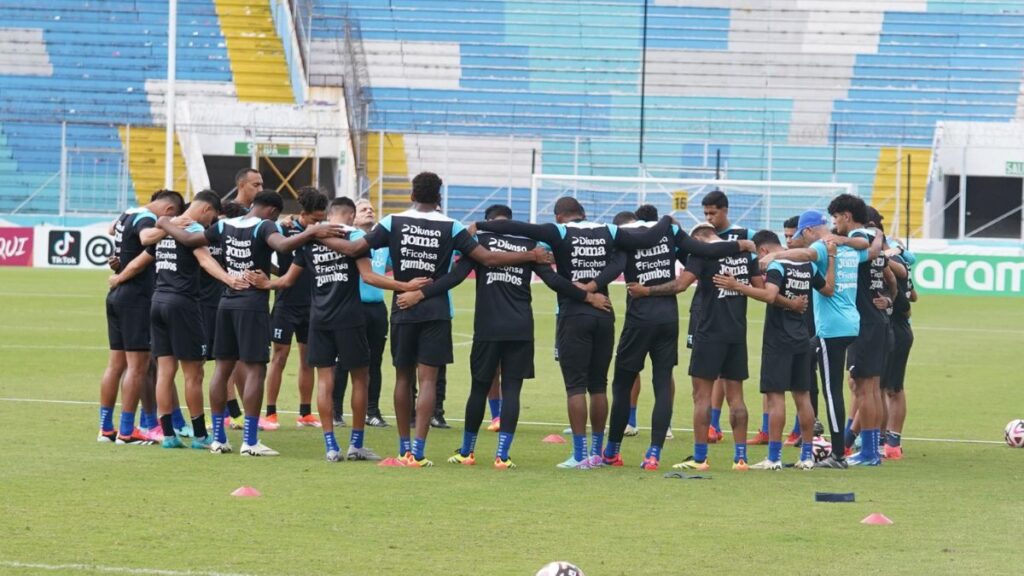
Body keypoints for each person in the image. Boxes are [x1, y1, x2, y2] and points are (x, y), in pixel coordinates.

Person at [327, 172, 553, 467]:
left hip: (403, 306)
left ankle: (403, 448)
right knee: (429, 379)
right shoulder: (452, 226)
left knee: (403, 377)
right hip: (436, 310)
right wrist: (530, 255)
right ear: (439, 197)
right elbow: (488, 259)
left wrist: (316, 234)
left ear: (411, 194)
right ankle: (419, 452)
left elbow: (356, 249)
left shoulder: (393, 221)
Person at [398, 203, 608, 469]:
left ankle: (467, 452)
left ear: (489, 221)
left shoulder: (480, 244)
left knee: (479, 388)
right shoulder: (531, 247)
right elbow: (555, 282)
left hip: (488, 328)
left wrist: (421, 294)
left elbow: (454, 277)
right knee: (512, 390)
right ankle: (503, 456)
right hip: (521, 328)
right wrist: (588, 296)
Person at [474, 197, 675, 469]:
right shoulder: (609, 231)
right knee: (599, 386)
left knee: (575, 387)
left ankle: (579, 455)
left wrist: (479, 224)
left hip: (573, 314)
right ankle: (597, 452)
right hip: (605, 312)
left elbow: (520, 227)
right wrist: (666, 219)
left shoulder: (559, 232)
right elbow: (643, 242)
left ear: (560, 216)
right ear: (582, 213)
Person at [157, 190, 340, 456]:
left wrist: (163, 223)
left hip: (226, 303)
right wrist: (312, 233)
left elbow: (187, 239)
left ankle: (219, 439)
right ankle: (250, 441)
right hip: (252, 305)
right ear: (272, 212)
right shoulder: (264, 226)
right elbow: (283, 246)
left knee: (222, 368)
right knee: (255, 370)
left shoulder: (223, 224)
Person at [604, 210, 750, 471]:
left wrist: (590, 289)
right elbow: (703, 252)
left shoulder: (624, 238)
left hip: (639, 320)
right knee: (662, 384)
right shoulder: (669, 235)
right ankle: (654, 454)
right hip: (669, 320)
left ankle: (612, 451)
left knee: (622, 385)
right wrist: (741, 245)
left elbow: (614, 268)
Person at [759, 208, 878, 469]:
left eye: (802, 234)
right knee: (807, 365)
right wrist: (878, 236)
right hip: (850, 323)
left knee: (832, 391)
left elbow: (806, 254)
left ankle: (837, 454)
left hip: (830, 329)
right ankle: (814, 443)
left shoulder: (824, 247)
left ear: (810, 230)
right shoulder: (849, 249)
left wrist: (777, 255)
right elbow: (871, 250)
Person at [713, 230, 833, 469]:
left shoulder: (778, 266)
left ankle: (774, 458)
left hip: (779, 340)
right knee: (803, 397)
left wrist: (737, 285)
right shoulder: (807, 266)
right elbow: (828, 289)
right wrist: (832, 259)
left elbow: (769, 295)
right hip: (802, 337)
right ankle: (807, 457)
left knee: (775, 398)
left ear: (764, 251)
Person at [136, 191, 245, 449]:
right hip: (183, 304)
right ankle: (199, 435)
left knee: (165, 371)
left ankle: (168, 436)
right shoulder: (192, 228)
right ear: (207, 210)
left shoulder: (163, 226)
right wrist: (231, 280)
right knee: (193, 373)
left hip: (158, 301)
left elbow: (144, 248)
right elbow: (206, 261)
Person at [98, 190, 184, 445]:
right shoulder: (147, 219)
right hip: (135, 298)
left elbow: (111, 228)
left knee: (115, 365)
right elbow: (147, 236)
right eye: (169, 218)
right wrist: (172, 227)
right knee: (138, 366)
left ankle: (105, 428)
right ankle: (126, 431)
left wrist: (121, 261)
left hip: (116, 296)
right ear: (168, 211)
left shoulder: (128, 213)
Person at [693, 190, 758, 445]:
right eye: (706, 213)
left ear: (726, 210)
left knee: (702, 392)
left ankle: (701, 455)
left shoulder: (743, 237)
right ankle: (737, 453)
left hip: (714, 325)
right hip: (724, 322)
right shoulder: (705, 236)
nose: (709, 217)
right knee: (733, 392)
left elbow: (759, 266)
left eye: (713, 212)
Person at [263, 187, 326, 431]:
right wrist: (278, 274)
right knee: (279, 357)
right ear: (303, 213)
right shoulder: (284, 229)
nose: (319, 223)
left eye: (322, 219)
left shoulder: (324, 231)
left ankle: (305, 413)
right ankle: (270, 412)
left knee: (308, 359)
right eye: (314, 219)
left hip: (313, 304)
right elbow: (265, 250)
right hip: (286, 303)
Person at [331, 198, 392, 428]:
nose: (369, 211)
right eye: (363, 208)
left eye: (372, 209)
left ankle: (372, 411)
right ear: (352, 217)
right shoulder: (348, 241)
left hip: (377, 308)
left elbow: (387, 267)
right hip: (351, 306)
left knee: (374, 362)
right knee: (344, 361)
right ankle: (336, 411)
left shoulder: (383, 244)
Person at [201, 201, 249, 429]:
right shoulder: (203, 235)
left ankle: (232, 414)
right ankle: (202, 418)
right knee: (200, 366)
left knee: (225, 362)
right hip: (201, 306)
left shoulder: (218, 236)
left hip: (220, 304)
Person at [883, 240, 916, 460]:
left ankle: (890, 441)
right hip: (889, 329)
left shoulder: (891, 259)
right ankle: (877, 437)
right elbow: (913, 296)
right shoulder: (892, 255)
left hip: (896, 331)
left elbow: (908, 304)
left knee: (890, 388)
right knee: (874, 387)